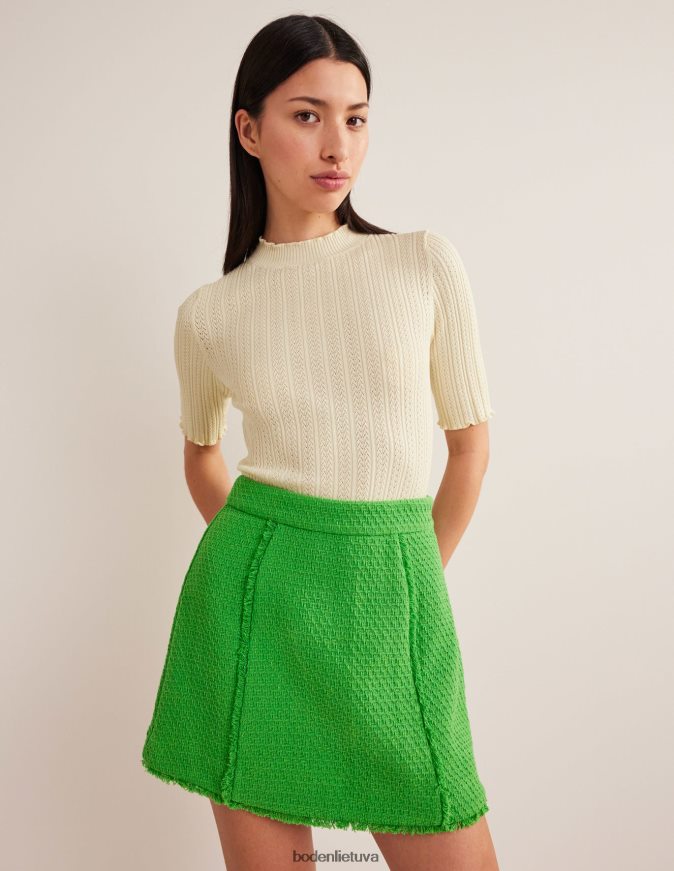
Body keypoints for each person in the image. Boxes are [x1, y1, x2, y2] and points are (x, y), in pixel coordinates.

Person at [141, 13, 500, 871]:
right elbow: (200, 455)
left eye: (356, 117)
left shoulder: (421, 263)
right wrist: (274, 558)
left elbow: (470, 446)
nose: (338, 144)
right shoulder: (210, 314)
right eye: (307, 115)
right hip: (253, 613)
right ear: (248, 129)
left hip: (390, 605)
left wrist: (407, 574)